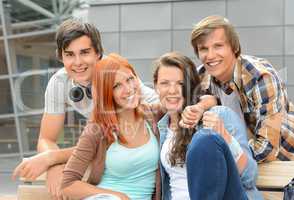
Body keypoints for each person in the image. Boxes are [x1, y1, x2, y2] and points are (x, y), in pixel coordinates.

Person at [12, 18, 157, 199]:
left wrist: (53, 157)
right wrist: (56, 166)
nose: (78, 62)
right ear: (61, 57)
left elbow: (158, 115)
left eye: (85, 52)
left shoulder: (119, 76)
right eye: (69, 54)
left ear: (98, 53)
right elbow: (46, 138)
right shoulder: (59, 82)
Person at [190, 15, 294, 162]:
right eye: (203, 48)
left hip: (284, 169)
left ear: (234, 47)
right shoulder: (200, 77)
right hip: (236, 168)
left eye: (218, 46)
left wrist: (222, 160)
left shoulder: (259, 76)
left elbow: (266, 150)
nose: (210, 55)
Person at [153, 52, 262, 199]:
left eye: (180, 84)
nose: (172, 90)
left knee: (205, 139)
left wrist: (225, 136)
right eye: (165, 83)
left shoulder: (219, 115)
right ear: (155, 87)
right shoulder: (161, 127)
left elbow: (250, 176)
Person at [61, 53, 161, 200]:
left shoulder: (152, 115)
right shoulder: (97, 128)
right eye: (117, 86)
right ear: (107, 93)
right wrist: (118, 196)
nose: (128, 89)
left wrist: (206, 103)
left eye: (130, 79)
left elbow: (183, 105)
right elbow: (67, 185)